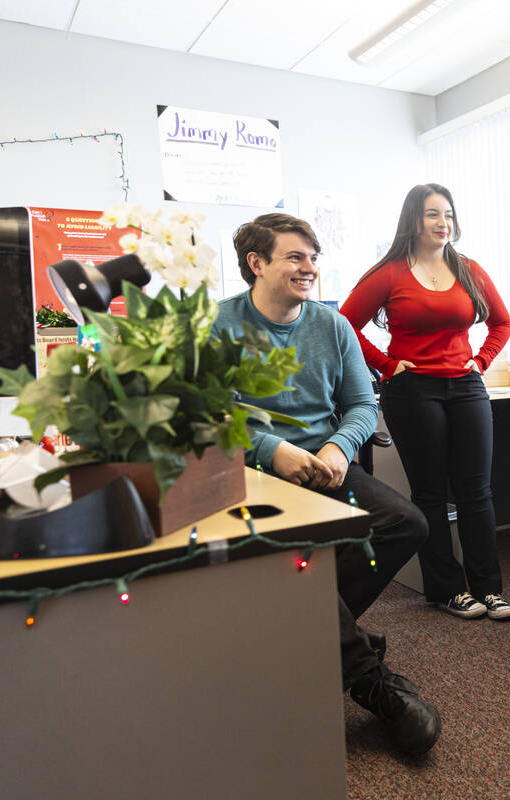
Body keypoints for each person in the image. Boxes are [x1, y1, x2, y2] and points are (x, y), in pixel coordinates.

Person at [213, 213, 440, 754]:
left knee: (406, 524)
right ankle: (370, 678)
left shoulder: (332, 325)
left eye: (313, 258)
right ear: (256, 263)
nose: (309, 268)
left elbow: (362, 405)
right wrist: (272, 450)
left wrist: (339, 447)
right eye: (295, 257)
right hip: (253, 476)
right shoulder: (217, 327)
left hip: (326, 466)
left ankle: (295, 629)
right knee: (286, 554)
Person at [340, 184, 510, 621]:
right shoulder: (390, 273)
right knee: (430, 494)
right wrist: (385, 363)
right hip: (413, 391)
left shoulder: (468, 268)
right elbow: (344, 324)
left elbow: (502, 322)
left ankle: (489, 589)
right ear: (413, 220)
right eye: (433, 214)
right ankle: (447, 589)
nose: (443, 224)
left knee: (477, 491)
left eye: (449, 215)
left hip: (466, 386)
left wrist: (480, 361)